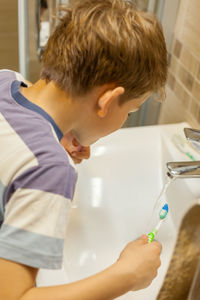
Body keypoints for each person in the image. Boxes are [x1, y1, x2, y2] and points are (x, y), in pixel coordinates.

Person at [0, 0, 167, 299]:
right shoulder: (49, 170)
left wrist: (55, 134)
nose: (126, 120)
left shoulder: (7, 79)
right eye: (130, 112)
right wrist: (126, 275)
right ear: (106, 102)